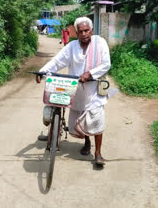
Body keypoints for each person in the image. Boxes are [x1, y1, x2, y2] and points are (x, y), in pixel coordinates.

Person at [36, 17, 111, 165]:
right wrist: (43, 71)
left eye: (86, 30)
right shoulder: (71, 47)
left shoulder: (100, 43)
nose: (84, 34)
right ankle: (87, 143)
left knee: (97, 120)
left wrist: (89, 73)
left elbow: (106, 63)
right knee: (81, 120)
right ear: (76, 33)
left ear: (91, 30)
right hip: (76, 90)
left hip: (94, 89)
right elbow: (58, 61)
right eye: (80, 32)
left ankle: (98, 153)